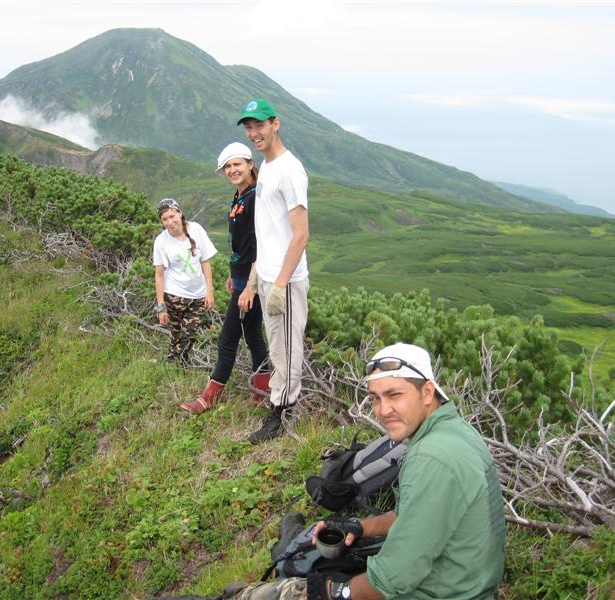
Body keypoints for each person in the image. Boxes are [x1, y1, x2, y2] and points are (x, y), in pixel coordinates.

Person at [200, 342, 505, 600]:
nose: (383, 410)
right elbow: (414, 517)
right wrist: (359, 528)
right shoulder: (454, 432)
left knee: (292, 590)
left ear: (427, 392)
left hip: (440, 591)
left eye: (395, 395)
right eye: (375, 399)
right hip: (466, 582)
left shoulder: (432, 458)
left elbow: (392, 578)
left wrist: (328, 592)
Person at [238, 99, 310, 443]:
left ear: (275, 124)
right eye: (249, 127)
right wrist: (256, 277)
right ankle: (279, 403)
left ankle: (281, 415)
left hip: (287, 281)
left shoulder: (290, 170)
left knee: (289, 348)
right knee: (278, 346)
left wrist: (280, 283)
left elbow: (301, 234)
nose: (254, 133)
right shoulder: (266, 167)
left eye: (260, 125)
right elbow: (268, 231)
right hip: (268, 276)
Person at [181, 143, 270, 413]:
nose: (232, 170)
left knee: (228, 338)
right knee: (253, 335)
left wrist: (250, 288)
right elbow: (241, 243)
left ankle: (209, 397)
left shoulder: (256, 197)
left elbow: (260, 245)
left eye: (237, 164)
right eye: (227, 167)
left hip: (254, 280)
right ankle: (262, 393)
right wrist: (235, 275)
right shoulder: (240, 195)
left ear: (250, 163)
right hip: (243, 278)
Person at [153, 198, 217, 363]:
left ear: (180, 213)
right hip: (174, 295)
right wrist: (161, 306)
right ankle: (176, 365)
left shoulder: (196, 229)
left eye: (172, 216)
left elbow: (205, 262)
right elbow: (159, 274)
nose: (170, 222)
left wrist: (210, 291)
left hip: (198, 295)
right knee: (176, 333)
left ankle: (176, 362)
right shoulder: (161, 241)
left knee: (189, 333)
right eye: (164, 219)